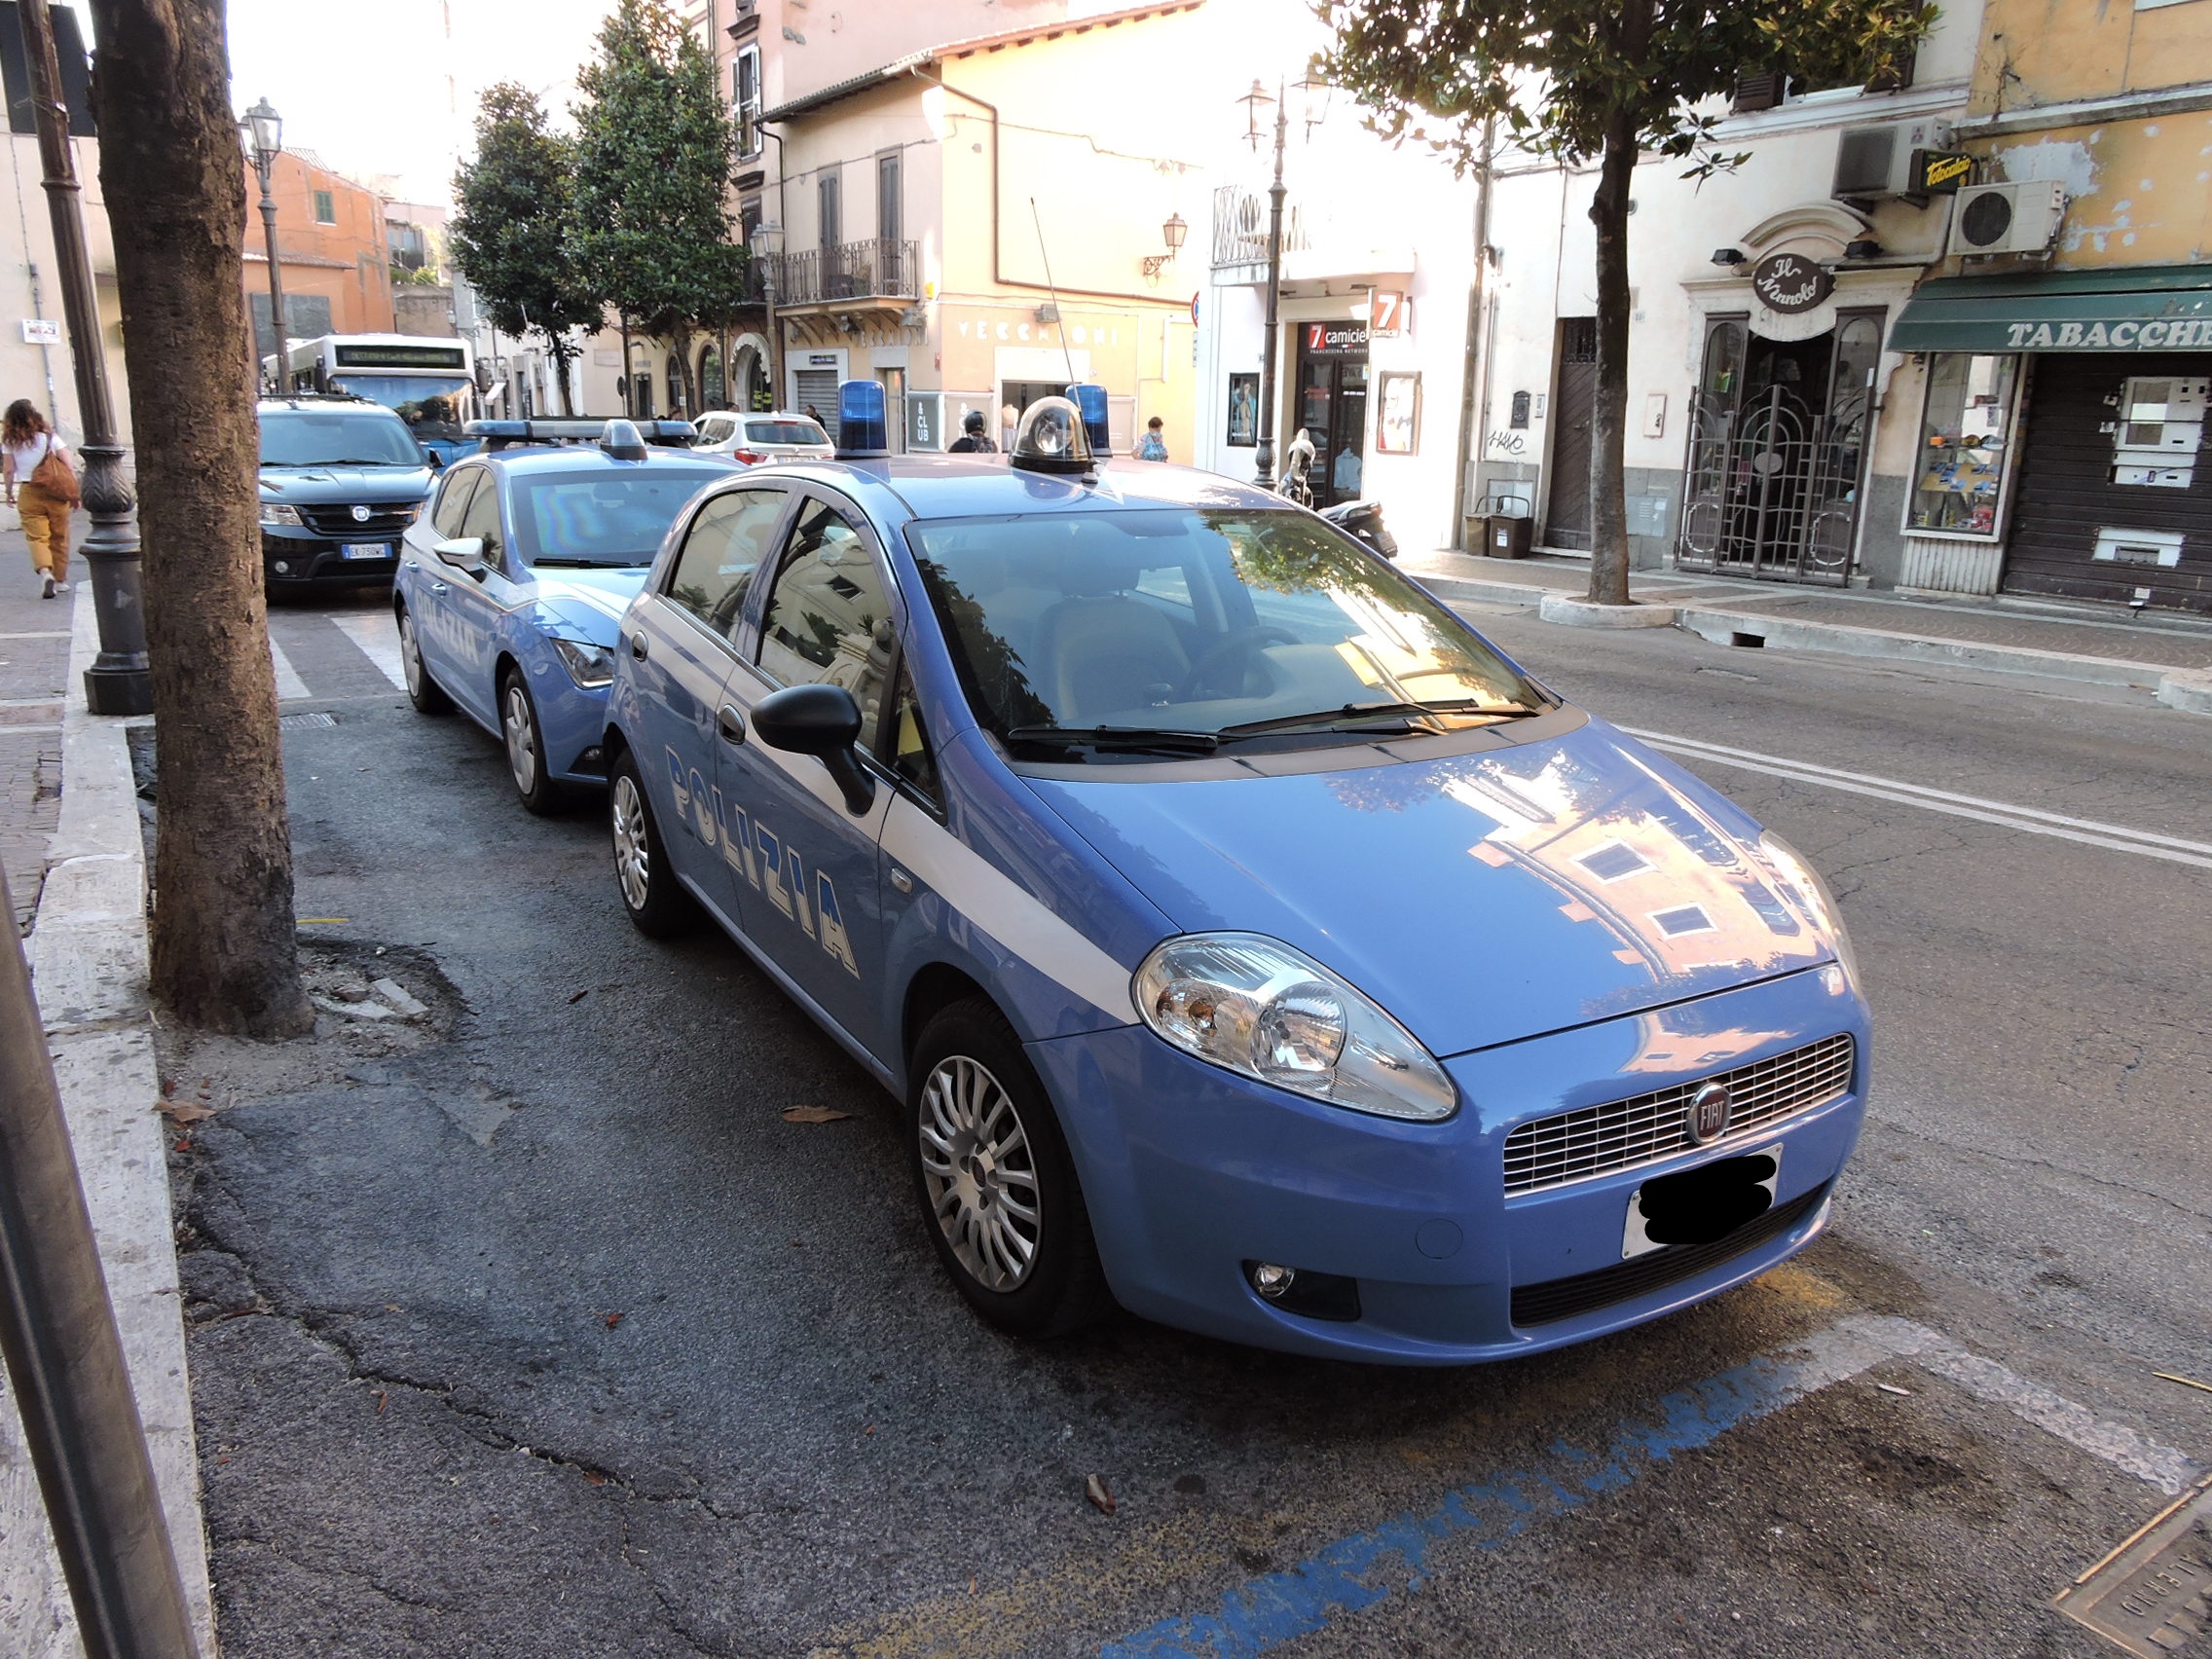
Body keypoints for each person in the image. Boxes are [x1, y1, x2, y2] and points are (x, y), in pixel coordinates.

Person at [3, 400, 73, 599]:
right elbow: (67, 464)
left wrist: (9, 492)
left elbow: (8, 470)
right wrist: (72, 492)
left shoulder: (9, 441)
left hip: (29, 490)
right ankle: (60, 581)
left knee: (37, 537)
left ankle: (45, 572)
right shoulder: (50, 437)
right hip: (56, 492)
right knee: (60, 536)